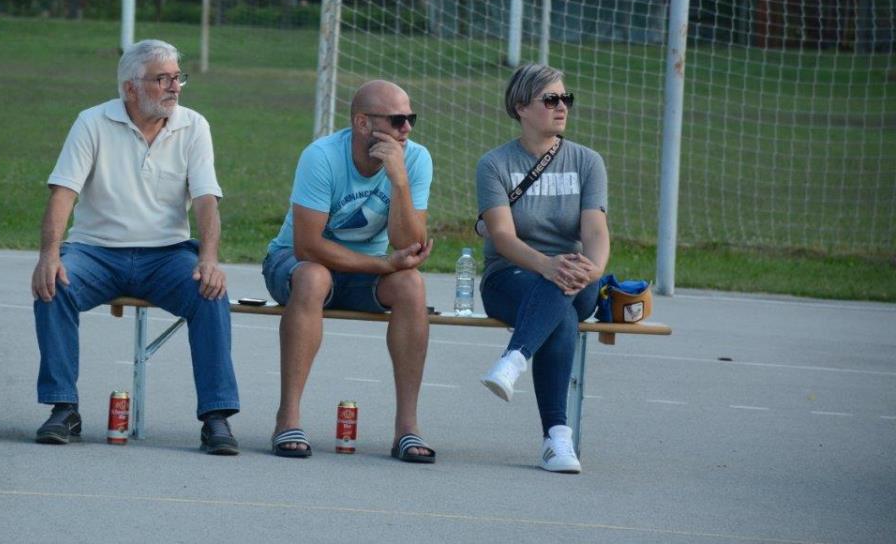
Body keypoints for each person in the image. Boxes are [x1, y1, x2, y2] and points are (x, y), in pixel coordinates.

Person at [31, 40, 240, 455]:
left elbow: (206, 199)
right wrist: (49, 255)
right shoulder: (92, 122)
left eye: (177, 77)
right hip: (95, 251)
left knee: (210, 291)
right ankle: (63, 408)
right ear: (130, 87)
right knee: (55, 284)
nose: (174, 87)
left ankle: (216, 417)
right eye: (162, 79)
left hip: (167, 254)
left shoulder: (194, 125)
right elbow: (63, 193)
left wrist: (209, 259)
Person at [263, 80, 436, 463]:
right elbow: (307, 246)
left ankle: (407, 428)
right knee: (314, 276)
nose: (407, 128)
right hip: (294, 262)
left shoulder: (416, 158)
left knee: (410, 284)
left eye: (411, 118)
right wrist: (382, 264)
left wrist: (399, 180)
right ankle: (287, 419)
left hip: (363, 270)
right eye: (397, 120)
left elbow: (410, 245)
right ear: (362, 123)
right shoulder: (321, 156)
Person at [475, 63, 609, 474]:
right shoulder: (494, 164)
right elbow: (502, 236)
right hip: (510, 276)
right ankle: (557, 440)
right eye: (551, 99)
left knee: (564, 291)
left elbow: (596, 231)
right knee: (561, 316)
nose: (562, 106)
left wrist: (592, 271)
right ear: (521, 107)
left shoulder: (587, 161)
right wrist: (546, 265)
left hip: (576, 278)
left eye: (566, 98)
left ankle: (515, 357)